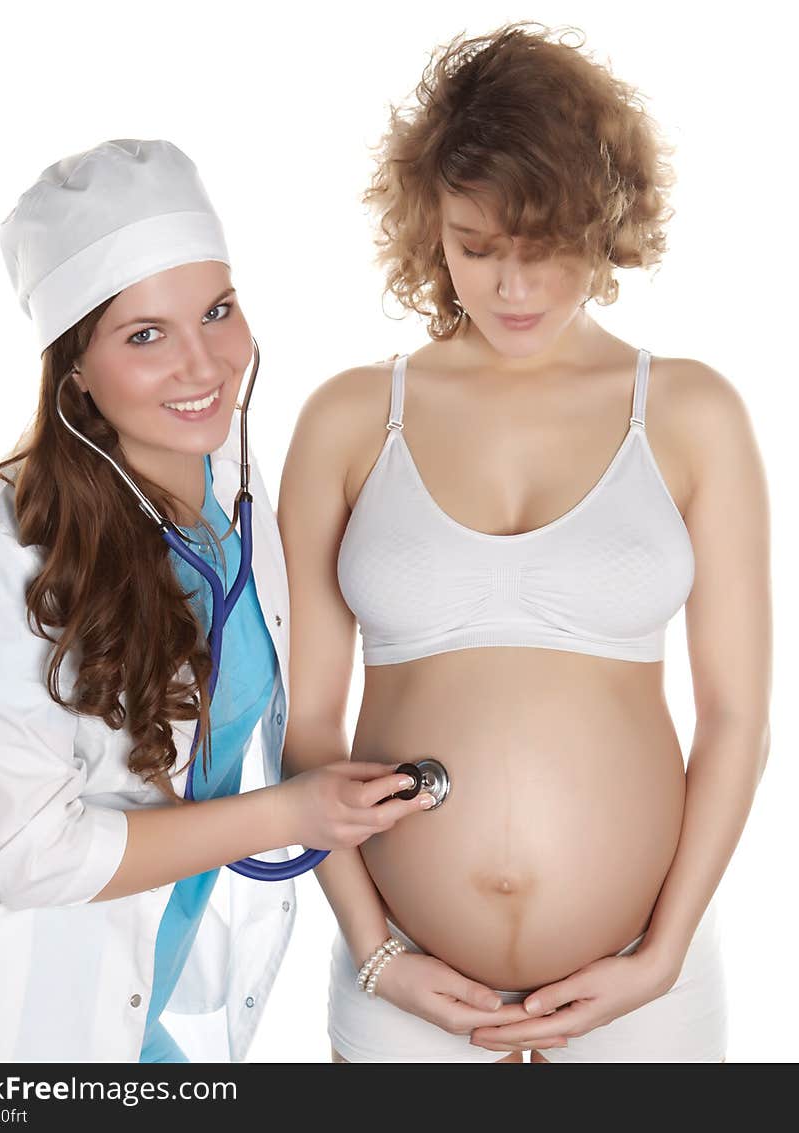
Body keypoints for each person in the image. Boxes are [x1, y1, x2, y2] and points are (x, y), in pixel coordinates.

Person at [277, 22, 772, 1063]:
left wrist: (662, 953)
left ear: (605, 217)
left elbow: (734, 715)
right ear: (429, 223)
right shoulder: (351, 418)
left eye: (543, 247)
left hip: (643, 980)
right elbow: (303, 718)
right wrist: (375, 951)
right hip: (403, 979)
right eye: (475, 246)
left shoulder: (689, 412)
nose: (512, 289)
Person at [0, 138, 431, 1063]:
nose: (203, 366)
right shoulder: (15, 531)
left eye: (218, 311)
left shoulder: (232, 474)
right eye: (145, 334)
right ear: (75, 367)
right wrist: (291, 816)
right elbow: (25, 852)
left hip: (162, 997)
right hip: (36, 1018)